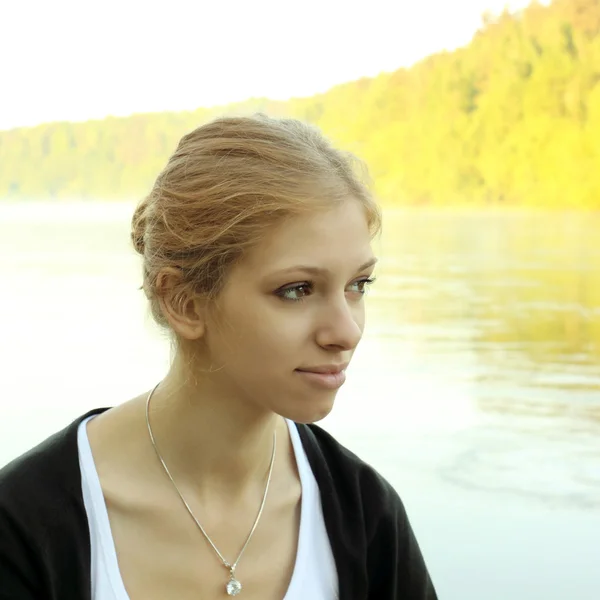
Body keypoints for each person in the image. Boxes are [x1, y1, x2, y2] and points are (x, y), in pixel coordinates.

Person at [0, 114, 437, 599]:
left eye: (358, 285)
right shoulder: (24, 525)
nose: (347, 331)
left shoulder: (366, 515)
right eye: (297, 290)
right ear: (183, 302)